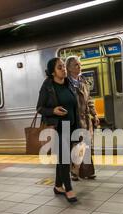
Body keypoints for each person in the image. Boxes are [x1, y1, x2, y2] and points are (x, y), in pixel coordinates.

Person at [36, 57, 80, 203]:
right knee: (65, 159)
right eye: (60, 67)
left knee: (62, 158)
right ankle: (68, 189)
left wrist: (78, 128)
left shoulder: (69, 84)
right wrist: (53, 110)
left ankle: (57, 186)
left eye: (63, 67)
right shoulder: (48, 86)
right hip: (57, 127)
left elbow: (75, 107)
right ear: (52, 72)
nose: (64, 69)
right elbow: (40, 108)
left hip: (70, 126)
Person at [65, 55, 100, 181]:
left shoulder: (83, 80)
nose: (79, 67)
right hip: (73, 119)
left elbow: (89, 99)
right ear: (68, 68)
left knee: (87, 145)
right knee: (77, 146)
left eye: (80, 64)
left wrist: (94, 114)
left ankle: (87, 171)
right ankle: (75, 171)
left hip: (85, 119)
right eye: (76, 65)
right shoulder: (65, 83)